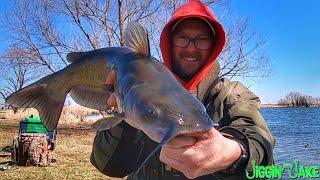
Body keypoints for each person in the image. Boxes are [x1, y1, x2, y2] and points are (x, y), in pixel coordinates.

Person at [90, 0, 275, 179]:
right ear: (169, 43)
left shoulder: (232, 94)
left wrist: (235, 154)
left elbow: (262, 150)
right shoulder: (137, 88)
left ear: (213, 46)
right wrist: (126, 111)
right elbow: (108, 167)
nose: (191, 48)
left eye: (201, 40)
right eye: (183, 38)